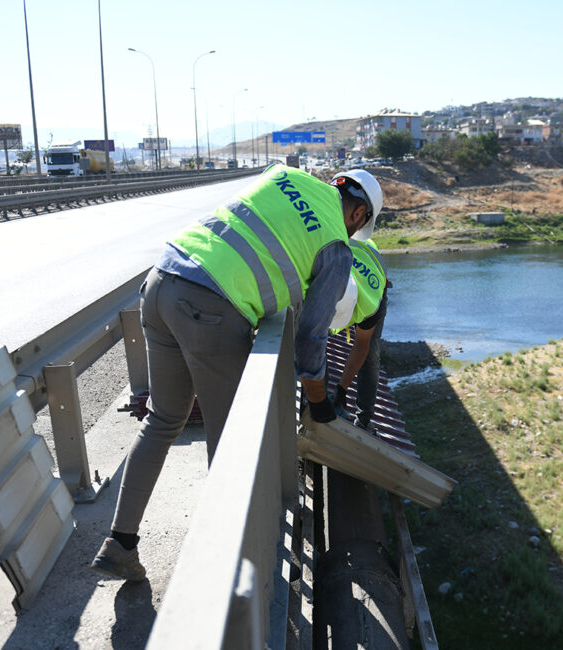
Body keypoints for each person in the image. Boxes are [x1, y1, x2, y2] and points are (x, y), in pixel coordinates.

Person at [90, 166, 383, 581]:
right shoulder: (337, 246)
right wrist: (319, 405)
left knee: (162, 420)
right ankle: (228, 568)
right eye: (358, 229)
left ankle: (120, 543)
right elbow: (312, 337)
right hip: (211, 308)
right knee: (231, 443)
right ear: (358, 216)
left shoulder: (286, 176)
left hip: (162, 281)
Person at [329, 238, 388, 430]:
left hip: (374, 276)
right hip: (342, 261)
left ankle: (364, 418)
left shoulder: (371, 303)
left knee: (371, 354)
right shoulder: (318, 272)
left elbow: (361, 345)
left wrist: (341, 390)